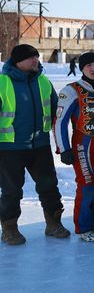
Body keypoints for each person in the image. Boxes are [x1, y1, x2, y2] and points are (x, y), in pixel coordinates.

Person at [0, 44, 68, 245]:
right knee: (12, 191)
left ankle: (53, 224)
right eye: (31, 58)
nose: (35, 61)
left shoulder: (43, 81)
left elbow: (57, 111)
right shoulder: (3, 83)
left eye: (36, 57)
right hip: (10, 147)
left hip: (40, 145)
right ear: (18, 61)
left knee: (49, 186)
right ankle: (10, 229)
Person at [54, 52, 94, 242]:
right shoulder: (71, 90)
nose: (93, 68)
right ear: (82, 68)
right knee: (87, 186)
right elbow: (60, 122)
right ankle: (84, 227)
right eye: (89, 65)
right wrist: (64, 149)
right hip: (83, 143)